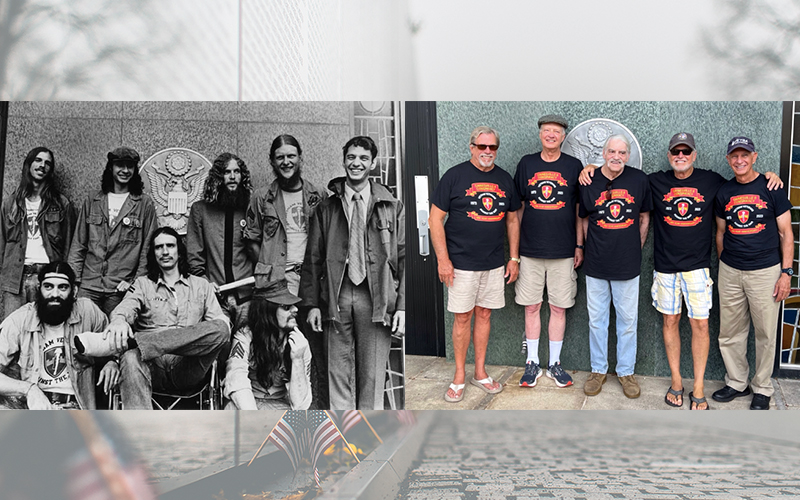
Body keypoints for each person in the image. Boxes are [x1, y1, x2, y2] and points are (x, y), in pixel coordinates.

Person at [300, 135, 405, 410]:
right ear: (344, 159)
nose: (356, 163)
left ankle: (367, 439)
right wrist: (311, 304)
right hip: (337, 295)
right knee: (337, 372)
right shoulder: (326, 208)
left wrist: (402, 307)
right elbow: (313, 259)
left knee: (372, 374)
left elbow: (403, 259)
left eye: (363, 159)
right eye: (351, 157)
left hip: (377, 296)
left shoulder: (391, 206)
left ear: (372, 163)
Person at [76, 227, 230, 409]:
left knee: (221, 328)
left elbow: (220, 328)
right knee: (131, 358)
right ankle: (140, 432)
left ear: (179, 251)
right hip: (151, 366)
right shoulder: (142, 284)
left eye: (170, 246)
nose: (165, 251)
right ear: (153, 253)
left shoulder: (201, 285)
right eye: (159, 247)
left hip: (188, 367)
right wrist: (119, 320)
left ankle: (135, 342)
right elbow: (125, 308)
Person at [429, 126, 521, 403]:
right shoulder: (454, 176)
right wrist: (443, 260)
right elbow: (435, 220)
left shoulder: (504, 179)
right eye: (482, 147)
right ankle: (459, 375)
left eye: (492, 147)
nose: (487, 152)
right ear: (472, 147)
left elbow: (513, 219)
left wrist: (513, 258)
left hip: (493, 263)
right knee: (462, 318)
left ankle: (479, 372)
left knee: (484, 315)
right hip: (460, 264)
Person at [712, 136, 792, 410]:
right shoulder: (724, 192)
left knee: (765, 333)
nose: (739, 160)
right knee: (730, 331)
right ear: (728, 159)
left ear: (754, 157)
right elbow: (720, 233)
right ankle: (736, 382)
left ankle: (762, 388)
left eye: (744, 155)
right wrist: (726, 263)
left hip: (766, 271)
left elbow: (786, 233)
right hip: (731, 270)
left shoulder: (772, 187)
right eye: (734, 156)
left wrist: (786, 273)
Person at [578, 135, 651, 399]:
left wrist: (635, 248)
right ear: (603, 152)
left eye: (622, 152)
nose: (617, 156)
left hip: (627, 264)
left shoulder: (639, 180)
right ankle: (598, 370)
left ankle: (625, 372)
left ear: (628, 155)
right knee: (597, 321)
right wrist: (587, 248)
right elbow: (584, 218)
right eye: (612, 151)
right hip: (596, 263)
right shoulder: (589, 179)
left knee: (628, 321)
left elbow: (644, 219)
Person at [513, 115, 583, 388]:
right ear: (540, 135)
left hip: (564, 251)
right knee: (532, 306)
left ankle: (554, 363)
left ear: (563, 137)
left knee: (558, 307)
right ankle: (532, 362)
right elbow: (517, 208)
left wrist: (579, 245)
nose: (551, 135)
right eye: (546, 131)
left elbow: (579, 211)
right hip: (530, 251)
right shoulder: (527, 164)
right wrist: (515, 251)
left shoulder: (573, 166)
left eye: (556, 131)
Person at [0, 262, 112, 409]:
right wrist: (28, 389)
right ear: (39, 288)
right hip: (32, 406)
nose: (54, 294)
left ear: (74, 291)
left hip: (75, 408)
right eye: (48, 287)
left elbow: (114, 343)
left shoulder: (88, 312)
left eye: (63, 287)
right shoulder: (20, 319)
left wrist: (112, 362)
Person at [68, 146, 158, 315]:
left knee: (116, 336)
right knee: (82, 334)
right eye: (120, 165)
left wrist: (135, 282)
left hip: (120, 288)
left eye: (129, 166)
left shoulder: (144, 204)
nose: (125, 170)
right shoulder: (93, 199)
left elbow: (148, 249)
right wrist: (73, 281)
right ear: (111, 167)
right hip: (89, 285)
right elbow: (78, 244)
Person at [244, 134, 327, 295]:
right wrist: (270, 268)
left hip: (313, 277)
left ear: (300, 159)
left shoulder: (318, 194)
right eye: (280, 157)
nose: (286, 162)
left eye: (291, 156)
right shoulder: (261, 197)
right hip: (276, 280)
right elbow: (251, 241)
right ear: (272, 161)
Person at [0, 147, 75, 318]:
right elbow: (2, 242)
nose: (43, 166)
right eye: (38, 160)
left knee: (45, 331)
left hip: (47, 277)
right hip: (15, 278)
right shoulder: (10, 203)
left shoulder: (61, 204)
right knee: (12, 332)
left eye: (48, 163)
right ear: (29, 164)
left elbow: (69, 244)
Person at [187, 152, 255, 325]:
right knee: (218, 346)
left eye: (237, 171)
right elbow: (194, 256)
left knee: (245, 346)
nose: (232, 177)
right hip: (214, 298)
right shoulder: (200, 210)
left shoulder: (250, 208)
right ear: (218, 177)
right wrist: (205, 282)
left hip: (247, 296)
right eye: (226, 172)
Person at [223, 279, 312, 410]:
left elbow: (300, 405)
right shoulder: (246, 335)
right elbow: (236, 379)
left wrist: (297, 359)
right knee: (231, 409)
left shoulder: (299, 343)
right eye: (286, 307)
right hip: (248, 402)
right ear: (267, 312)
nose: (295, 309)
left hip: (280, 403)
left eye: (293, 305)